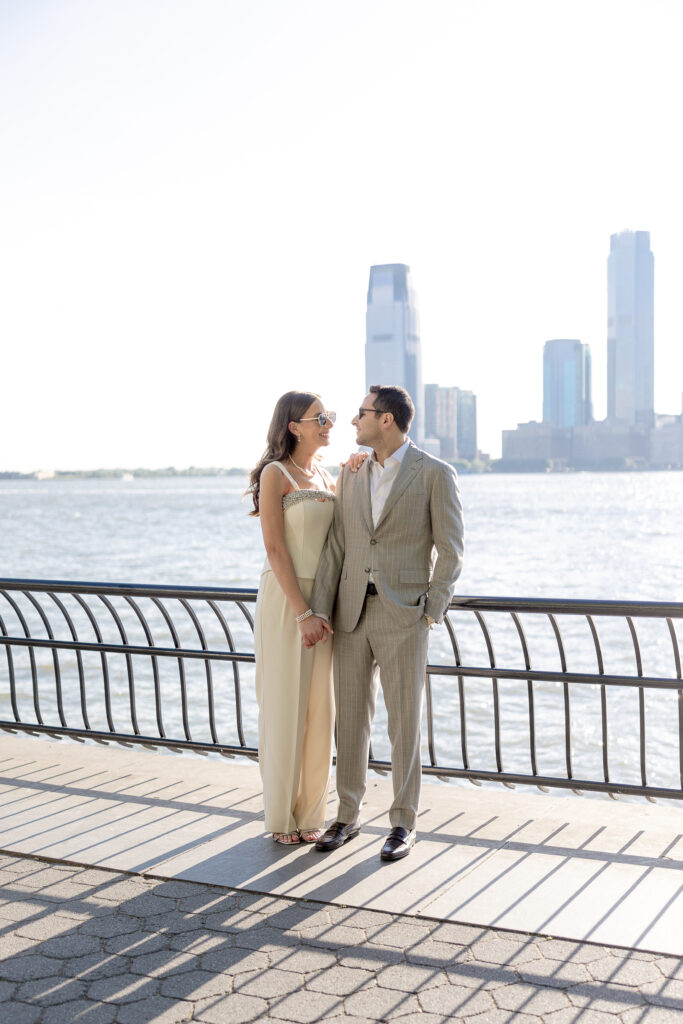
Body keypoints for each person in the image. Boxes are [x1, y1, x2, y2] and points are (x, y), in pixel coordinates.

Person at [311, 385, 464, 861]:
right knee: (350, 722)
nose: (353, 421)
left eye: (362, 413)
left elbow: (452, 550)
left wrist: (430, 610)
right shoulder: (351, 474)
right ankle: (347, 816)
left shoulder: (435, 473)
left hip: (405, 616)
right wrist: (319, 608)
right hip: (351, 611)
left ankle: (403, 823)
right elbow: (339, 545)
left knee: (404, 724)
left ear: (387, 420)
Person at [248, 391, 337, 846]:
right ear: (293, 426)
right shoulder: (274, 474)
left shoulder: (328, 475)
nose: (329, 423)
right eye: (319, 417)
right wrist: (302, 611)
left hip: (324, 605)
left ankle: (311, 814)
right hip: (287, 600)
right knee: (284, 705)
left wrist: (357, 472)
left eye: (331, 417)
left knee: (321, 710)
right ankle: (280, 815)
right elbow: (275, 548)